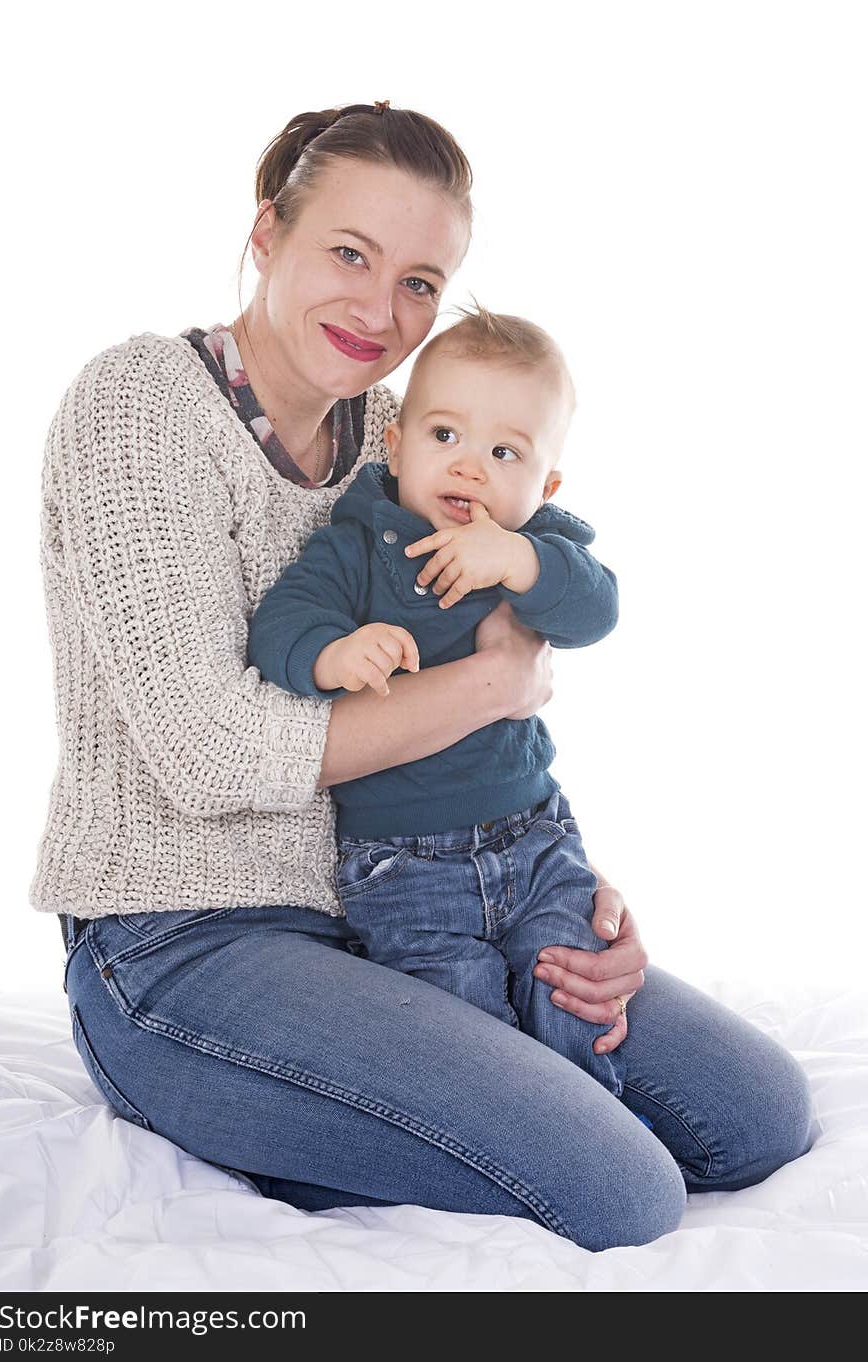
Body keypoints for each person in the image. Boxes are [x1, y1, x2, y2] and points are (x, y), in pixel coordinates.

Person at [33, 100, 814, 1252]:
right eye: (348, 253)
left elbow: (550, 588)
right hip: (182, 945)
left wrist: (554, 883)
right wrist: (500, 684)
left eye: (417, 281)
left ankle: (403, 1085)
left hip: (407, 900)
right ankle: (282, 1114)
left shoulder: (406, 431)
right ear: (266, 233)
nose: (378, 308)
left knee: (756, 1116)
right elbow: (209, 755)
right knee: (622, 1192)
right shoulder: (141, 404)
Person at [247, 300, 628, 1100]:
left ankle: (591, 1114)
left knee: (575, 997)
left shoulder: (536, 548)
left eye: (505, 452)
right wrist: (336, 652)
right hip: (407, 869)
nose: (469, 467)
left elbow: (597, 610)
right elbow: (281, 627)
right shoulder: (363, 542)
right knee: (470, 1046)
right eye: (444, 436)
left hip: (535, 842)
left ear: (545, 482)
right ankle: (529, 1141)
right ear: (396, 445)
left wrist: (521, 559)